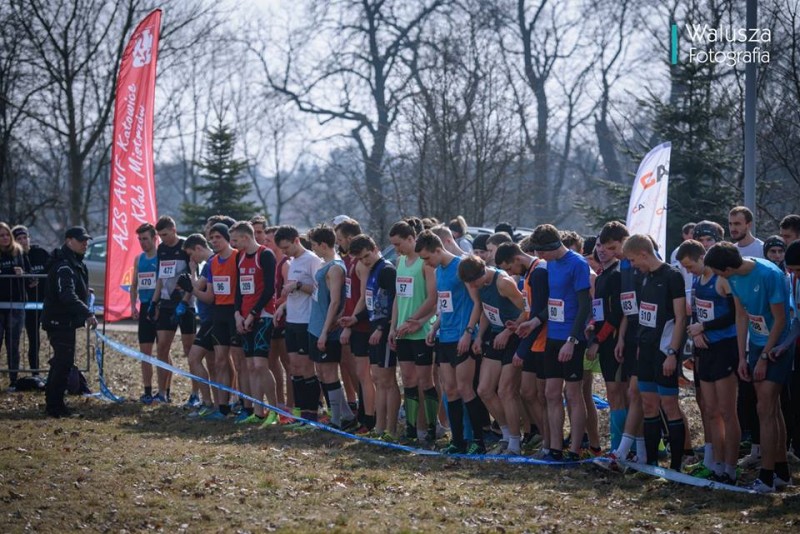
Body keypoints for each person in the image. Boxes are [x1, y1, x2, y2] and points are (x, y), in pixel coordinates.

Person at [704, 242, 793, 493]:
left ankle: (766, 477)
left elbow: (780, 320)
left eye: (720, 273)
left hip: (777, 345)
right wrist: (743, 356)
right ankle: (781, 471)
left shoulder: (769, 274)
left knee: (764, 407)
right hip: (755, 344)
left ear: (729, 267)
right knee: (771, 408)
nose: (719, 278)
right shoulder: (732, 277)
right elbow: (741, 315)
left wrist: (765, 356)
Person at [677, 240, 741, 483]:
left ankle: (731, 468)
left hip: (725, 347)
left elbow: (734, 314)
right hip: (705, 348)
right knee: (710, 410)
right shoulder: (696, 280)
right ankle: (716, 464)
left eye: (690, 265)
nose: (689, 271)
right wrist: (699, 332)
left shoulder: (721, 279)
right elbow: (698, 311)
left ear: (702, 257)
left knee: (727, 411)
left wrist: (704, 326)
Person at [623, 234, 688, 471]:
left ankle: (677, 466)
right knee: (648, 404)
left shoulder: (672, 276)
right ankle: (650, 463)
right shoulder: (644, 277)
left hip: (664, 350)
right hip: (646, 350)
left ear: (643, 253)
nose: (632, 265)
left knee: (669, 405)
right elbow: (644, 316)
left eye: (632, 260)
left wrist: (672, 352)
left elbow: (681, 318)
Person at [417, 231, 483, 453]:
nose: (426, 263)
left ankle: (478, 440)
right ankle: (458, 441)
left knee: (466, 389)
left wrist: (468, 332)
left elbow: (476, 303)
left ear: (438, 249)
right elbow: (443, 305)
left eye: (427, 257)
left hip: (462, 337)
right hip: (444, 337)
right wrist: (434, 327)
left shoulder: (460, 266)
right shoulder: (439, 271)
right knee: (450, 390)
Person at [529, 224, 591, 461]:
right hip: (552, 336)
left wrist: (572, 340)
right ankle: (555, 447)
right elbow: (553, 303)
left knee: (573, 394)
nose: (539, 257)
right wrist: (535, 322)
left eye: (541, 252)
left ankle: (574, 449)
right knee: (551, 393)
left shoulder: (577, 264)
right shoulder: (550, 264)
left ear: (553, 246)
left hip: (572, 338)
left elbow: (584, 305)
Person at [459, 254, 526, 454]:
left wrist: (509, 331)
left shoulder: (503, 283)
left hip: (515, 336)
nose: (472, 287)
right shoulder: (477, 285)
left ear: (482, 273)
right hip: (495, 337)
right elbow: (486, 311)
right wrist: (479, 337)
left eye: (474, 282)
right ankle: (505, 435)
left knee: (506, 391)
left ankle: (516, 442)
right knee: (484, 390)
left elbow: (527, 309)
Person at [494, 242, 550, 456]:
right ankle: (546, 440)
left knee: (545, 395)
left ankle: (550, 444)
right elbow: (529, 311)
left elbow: (540, 314)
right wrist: (517, 325)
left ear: (517, 259)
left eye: (509, 268)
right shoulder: (527, 276)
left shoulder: (539, 273)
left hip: (543, 342)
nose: (509, 274)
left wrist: (521, 350)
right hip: (532, 341)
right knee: (527, 392)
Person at [389, 220, 438, 444]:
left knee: (425, 381)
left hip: (421, 330)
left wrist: (414, 320)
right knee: (407, 379)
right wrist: (393, 326)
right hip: (403, 331)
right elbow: (399, 297)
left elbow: (432, 298)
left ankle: (430, 428)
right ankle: (411, 429)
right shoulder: (399, 261)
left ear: (411, 238)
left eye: (399, 244)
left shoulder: (425, 263)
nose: (396, 249)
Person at [41, 226, 97, 417]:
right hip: (59, 320)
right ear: (68, 241)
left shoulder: (74, 263)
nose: (85, 243)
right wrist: (87, 312)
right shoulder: (64, 265)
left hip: (65, 321)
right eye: (81, 240)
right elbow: (66, 295)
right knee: (63, 363)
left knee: (62, 362)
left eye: (86, 240)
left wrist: (84, 292)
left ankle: (54, 402)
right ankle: (54, 406)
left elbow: (72, 289)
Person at [348, 234, 399, 439]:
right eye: (361, 259)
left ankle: (391, 429)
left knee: (387, 381)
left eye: (367, 256)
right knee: (377, 379)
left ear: (376, 248)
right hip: (373, 330)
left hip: (384, 332)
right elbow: (373, 304)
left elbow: (392, 304)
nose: (365, 261)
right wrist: (355, 318)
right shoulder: (371, 271)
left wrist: (381, 328)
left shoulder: (386, 270)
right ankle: (379, 427)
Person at [307, 225, 356, 430]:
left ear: (324, 245)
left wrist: (326, 331)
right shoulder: (324, 264)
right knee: (321, 372)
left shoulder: (335, 267)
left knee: (329, 373)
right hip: (316, 325)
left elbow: (336, 302)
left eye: (314, 246)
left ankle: (337, 419)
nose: (313, 250)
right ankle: (345, 413)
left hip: (327, 330)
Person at [275, 225, 322, 425]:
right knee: (294, 367)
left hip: (306, 321)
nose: (285, 253)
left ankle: (313, 412)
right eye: (282, 249)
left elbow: (319, 290)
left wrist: (299, 286)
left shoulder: (312, 260)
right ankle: (301, 412)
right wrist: (283, 306)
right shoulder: (291, 261)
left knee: (306, 367)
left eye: (287, 248)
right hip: (292, 320)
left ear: (296, 240)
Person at [231, 221, 277, 424]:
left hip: (263, 315)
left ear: (245, 237)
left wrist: (253, 313)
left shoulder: (265, 255)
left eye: (235, 240)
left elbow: (269, 289)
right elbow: (239, 289)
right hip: (244, 317)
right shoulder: (239, 257)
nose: (233, 244)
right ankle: (258, 412)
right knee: (249, 366)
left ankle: (274, 410)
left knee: (260, 364)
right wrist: (238, 315)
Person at [149, 216, 196, 403]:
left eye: (165, 234)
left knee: (189, 350)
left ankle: (195, 394)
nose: (163, 239)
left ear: (174, 230)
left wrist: (184, 302)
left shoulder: (186, 246)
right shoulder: (161, 249)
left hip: (186, 305)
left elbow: (193, 278)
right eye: (159, 236)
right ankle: (162, 393)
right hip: (167, 304)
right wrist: (154, 301)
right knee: (162, 348)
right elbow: (161, 277)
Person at [336, 218, 375, 432]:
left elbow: (363, 296)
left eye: (340, 239)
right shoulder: (350, 260)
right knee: (360, 373)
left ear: (349, 239)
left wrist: (351, 323)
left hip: (363, 324)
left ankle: (370, 418)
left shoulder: (361, 263)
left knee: (365, 374)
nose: (339, 244)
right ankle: (363, 414)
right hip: (353, 322)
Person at [178, 234, 217, 418]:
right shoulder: (205, 264)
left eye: (191, 254)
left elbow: (197, 287)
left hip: (212, 319)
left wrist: (191, 274)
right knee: (213, 362)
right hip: (207, 318)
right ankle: (213, 402)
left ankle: (210, 402)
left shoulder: (210, 263)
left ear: (199, 248)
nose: (191, 259)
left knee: (194, 358)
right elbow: (195, 286)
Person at [12, 225, 50, 379]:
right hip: (28, 305)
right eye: (19, 239)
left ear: (29, 238)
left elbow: (52, 268)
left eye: (24, 237)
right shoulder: (15, 257)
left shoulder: (40, 253)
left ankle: (56, 372)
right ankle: (35, 373)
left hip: (46, 302)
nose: (23, 241)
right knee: (33, 340)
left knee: (52, 339)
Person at [129, 223, 160, 404]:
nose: (142, 242)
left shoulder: (161, 258)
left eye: (145, 239)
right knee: (145, 352)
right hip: (144, 309)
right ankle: (147, 391)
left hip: (159, 309)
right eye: (140, 239)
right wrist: (133, 306)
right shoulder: (138, 259)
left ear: (154, 239)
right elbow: (134, 285)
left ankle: (165, 391)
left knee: (163, 351)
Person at [0, 222, 28, 389]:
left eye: (6, 235)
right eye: (1, 235)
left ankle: (13, 380)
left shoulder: (18, 251)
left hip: (16, 304)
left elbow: (29, 273)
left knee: (13, 344)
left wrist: (22, 273)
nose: (4, 238)